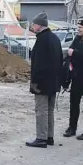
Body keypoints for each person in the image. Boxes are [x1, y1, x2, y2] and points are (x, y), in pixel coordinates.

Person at [25, 12, 63, 148]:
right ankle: (49, 136)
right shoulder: (55, 39)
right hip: (53, 82)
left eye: (34, 24)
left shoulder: (42, 40)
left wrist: (35, 82)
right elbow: (60, 61)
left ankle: (41, 138)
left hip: (42, 83)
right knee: (49, 110)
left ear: (39, 25)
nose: (32, 26)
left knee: (41, 110)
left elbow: (39, 65)